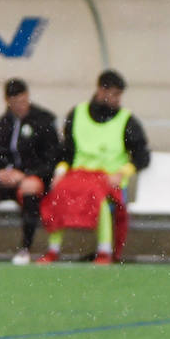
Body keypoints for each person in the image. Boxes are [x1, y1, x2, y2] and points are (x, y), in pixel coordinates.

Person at [38, 69, 147, 264]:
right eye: (112, 94)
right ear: (100, 91)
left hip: (108, 178)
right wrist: (60, 172)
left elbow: (142, 156)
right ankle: (53, 250)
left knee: (100, 200)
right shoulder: (77, 114)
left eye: (118, 95)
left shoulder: (127, 120)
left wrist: (123, 172)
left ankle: (104, 251)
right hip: (78, 175)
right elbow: (67, 152)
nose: (116, 99)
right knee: (57, 194)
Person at [0, 78, 60, 264]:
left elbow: (52, 159)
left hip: (30, 178)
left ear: (27, 97)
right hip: (3, 180)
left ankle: (26, 247)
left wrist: (26, 174)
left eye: (22, 101)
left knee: (30, 189)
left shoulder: (44, 121)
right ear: (7, 101)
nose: (19, 106)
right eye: (14, 102)